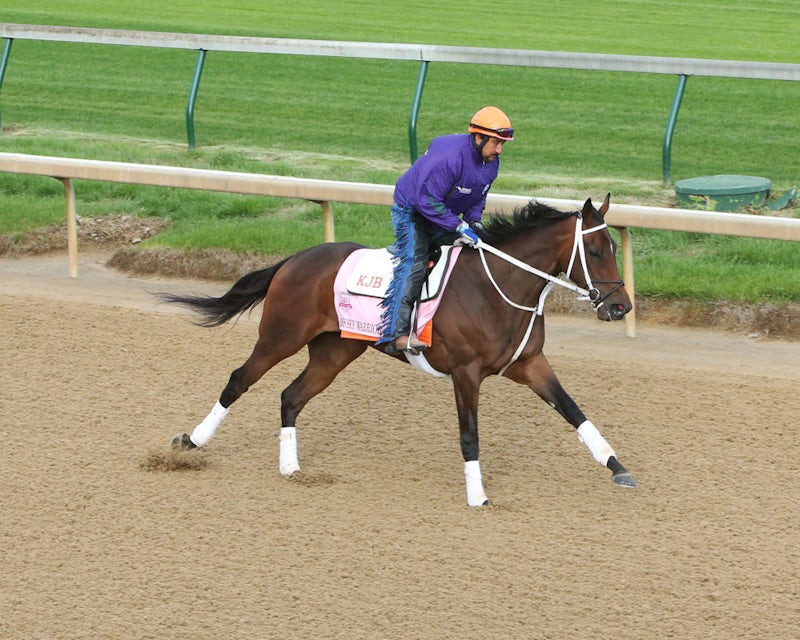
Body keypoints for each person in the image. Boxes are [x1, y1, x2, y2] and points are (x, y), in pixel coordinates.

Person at [379, 105, 514, 354]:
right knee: (416, 262)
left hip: (443, 214)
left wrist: (474, 222)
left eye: (502, 144)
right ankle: (397, 335)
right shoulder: (449, 158)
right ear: (478, 138)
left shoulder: (491, 162)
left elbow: (477, 198)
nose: (499, 150)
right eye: (496, 143)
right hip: (413, 211)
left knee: (475, 254)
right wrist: (459, 225)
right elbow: (426, 201)